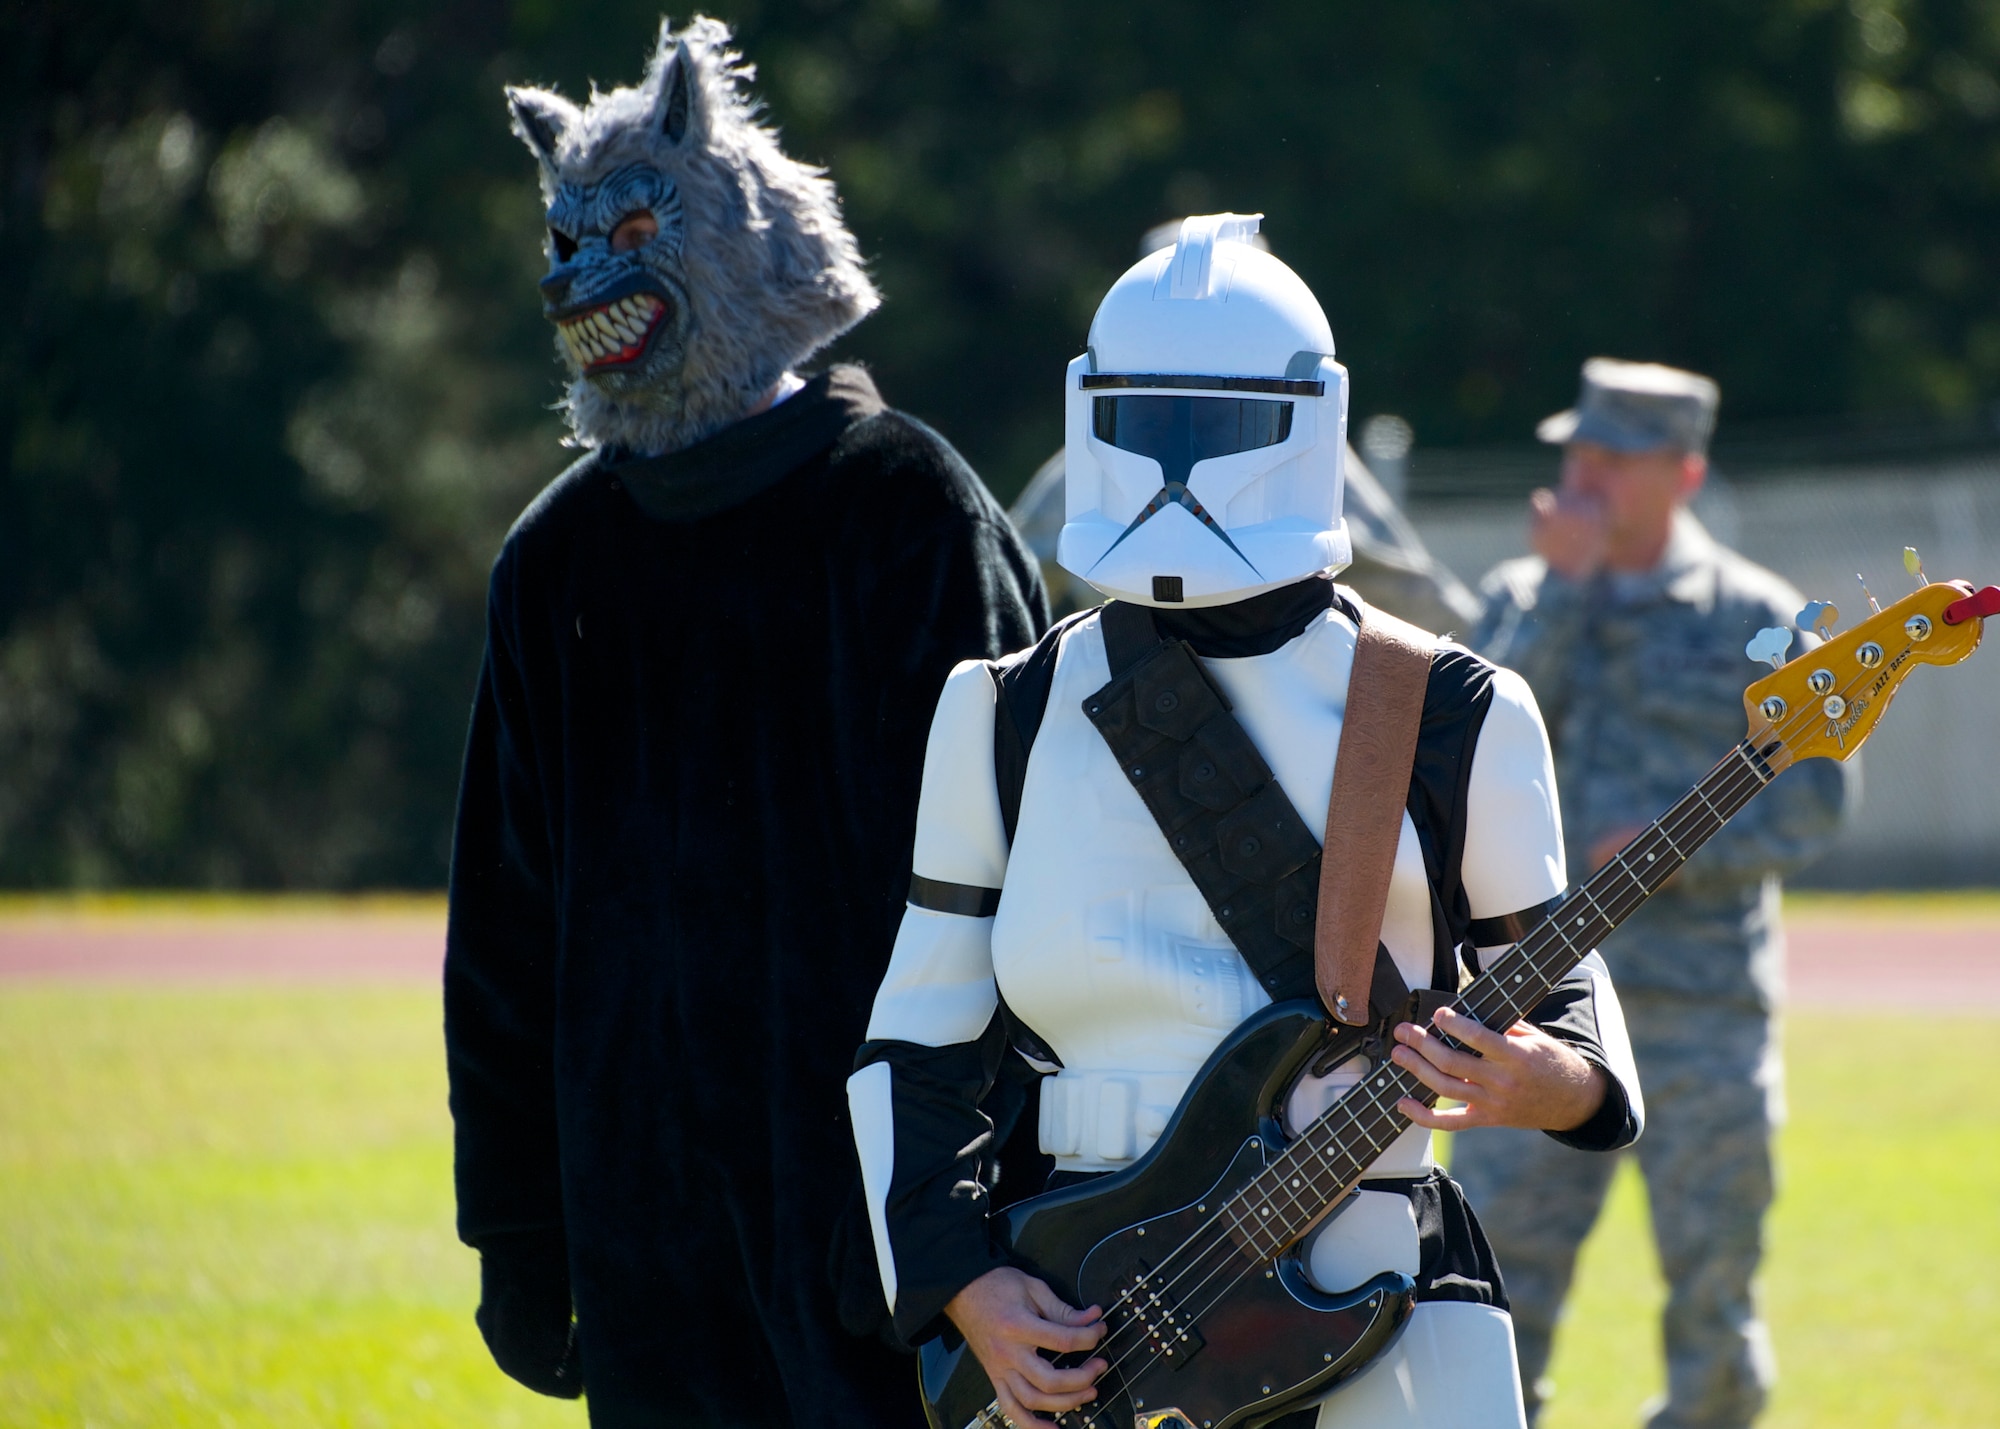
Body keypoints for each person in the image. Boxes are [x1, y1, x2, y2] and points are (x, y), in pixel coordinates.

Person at [849, 215, 1644, 1429]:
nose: (1174, 464)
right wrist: (964, 1281)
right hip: (1085, 1307)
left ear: (1304, 423)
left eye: (1214, 427)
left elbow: (1565, 999)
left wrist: (1552, 1082)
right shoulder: (1000, 709)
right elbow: (917, 1042)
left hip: (1377, 1279)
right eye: (1144, 422)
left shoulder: (1454, 709)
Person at [443, 19, 1044, 1427]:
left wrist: (987, 1216)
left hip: (893, 1223)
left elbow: (1028, 887)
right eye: (565, 238)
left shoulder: (906, 508)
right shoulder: (556, 560)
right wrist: (517, 1227)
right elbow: (506, 932)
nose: (579, 275)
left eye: (628, 232)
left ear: (722, 230)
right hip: (642, 1230)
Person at [1451, 359, 1853, 1429]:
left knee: (1714, 1292)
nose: (1583, 478)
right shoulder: (1518, 597)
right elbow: (1452, 757)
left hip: (1698, 1014)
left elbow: (1814, 805)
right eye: (1576, 453)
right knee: (1488, 1287)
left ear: (1683, 473)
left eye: (1614, 459)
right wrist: (1561, 592)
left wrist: (1679, 853)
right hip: (1533, 1012)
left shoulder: (1756, 619)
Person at [1007, 224, 1481, 633]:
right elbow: (1011, 575)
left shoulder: (1306, 448)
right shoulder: (1096, 448)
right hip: (1123, 668)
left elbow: (1410, 588)